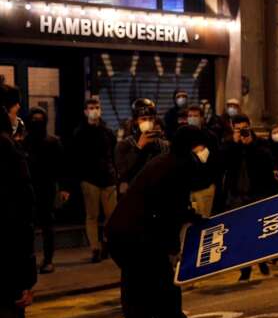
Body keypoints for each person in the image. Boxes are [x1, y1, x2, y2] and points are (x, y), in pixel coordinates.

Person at [104, 126, 207, 318]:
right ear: (193, 146)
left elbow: (169, 204)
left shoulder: (166, 160)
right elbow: (170, 209)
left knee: (138, 293)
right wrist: (172, 247)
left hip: (120, 233)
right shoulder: (181, 166)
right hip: (139, 238)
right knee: (162, 290)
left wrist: (190, 217)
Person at [1, 83, 35, 318]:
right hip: (3, 276)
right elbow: (16, 219)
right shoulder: (7, 152)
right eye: (15, 110)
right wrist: (22, 280)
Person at [221, 115, 278, 281]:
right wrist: (235, 143)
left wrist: (250, 145)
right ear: (233, 128)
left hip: (256, 193)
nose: (242, 132)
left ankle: (260, 260)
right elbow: (223, 162)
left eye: (244, 128)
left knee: (256, 231)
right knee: (240, 233)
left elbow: (267, 162)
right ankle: (245, 268)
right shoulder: (228, 144)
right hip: (236, 194)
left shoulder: (259, 143)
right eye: (238, 129)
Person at [70, 97, 118, 263]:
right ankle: (95, 248)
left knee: (111, 216)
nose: (94, 110)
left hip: (108, 179)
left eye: (96, 107)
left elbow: (113, 154)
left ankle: (107, 244)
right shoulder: (80, 132)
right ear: (85, 111)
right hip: (90, 179)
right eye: (91, 107)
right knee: (92, 216)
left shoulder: (107, 132)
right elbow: (75, 157)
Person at [24, 108, 68, 274]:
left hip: (46, 188)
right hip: (29, 188)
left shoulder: (52, 142)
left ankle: (48, 259)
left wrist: (63, 187)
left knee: (47, 225)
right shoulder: (24, 142)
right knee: (29, 226)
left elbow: (61, 166)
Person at [116, 98, 169, 192]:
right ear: (136, 121)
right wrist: (138, 147)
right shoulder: (124, 145)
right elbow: (123, 172)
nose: (147, 122)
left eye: (150, 119)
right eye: (143, 119)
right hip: (135, 193)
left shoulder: (163, 145)